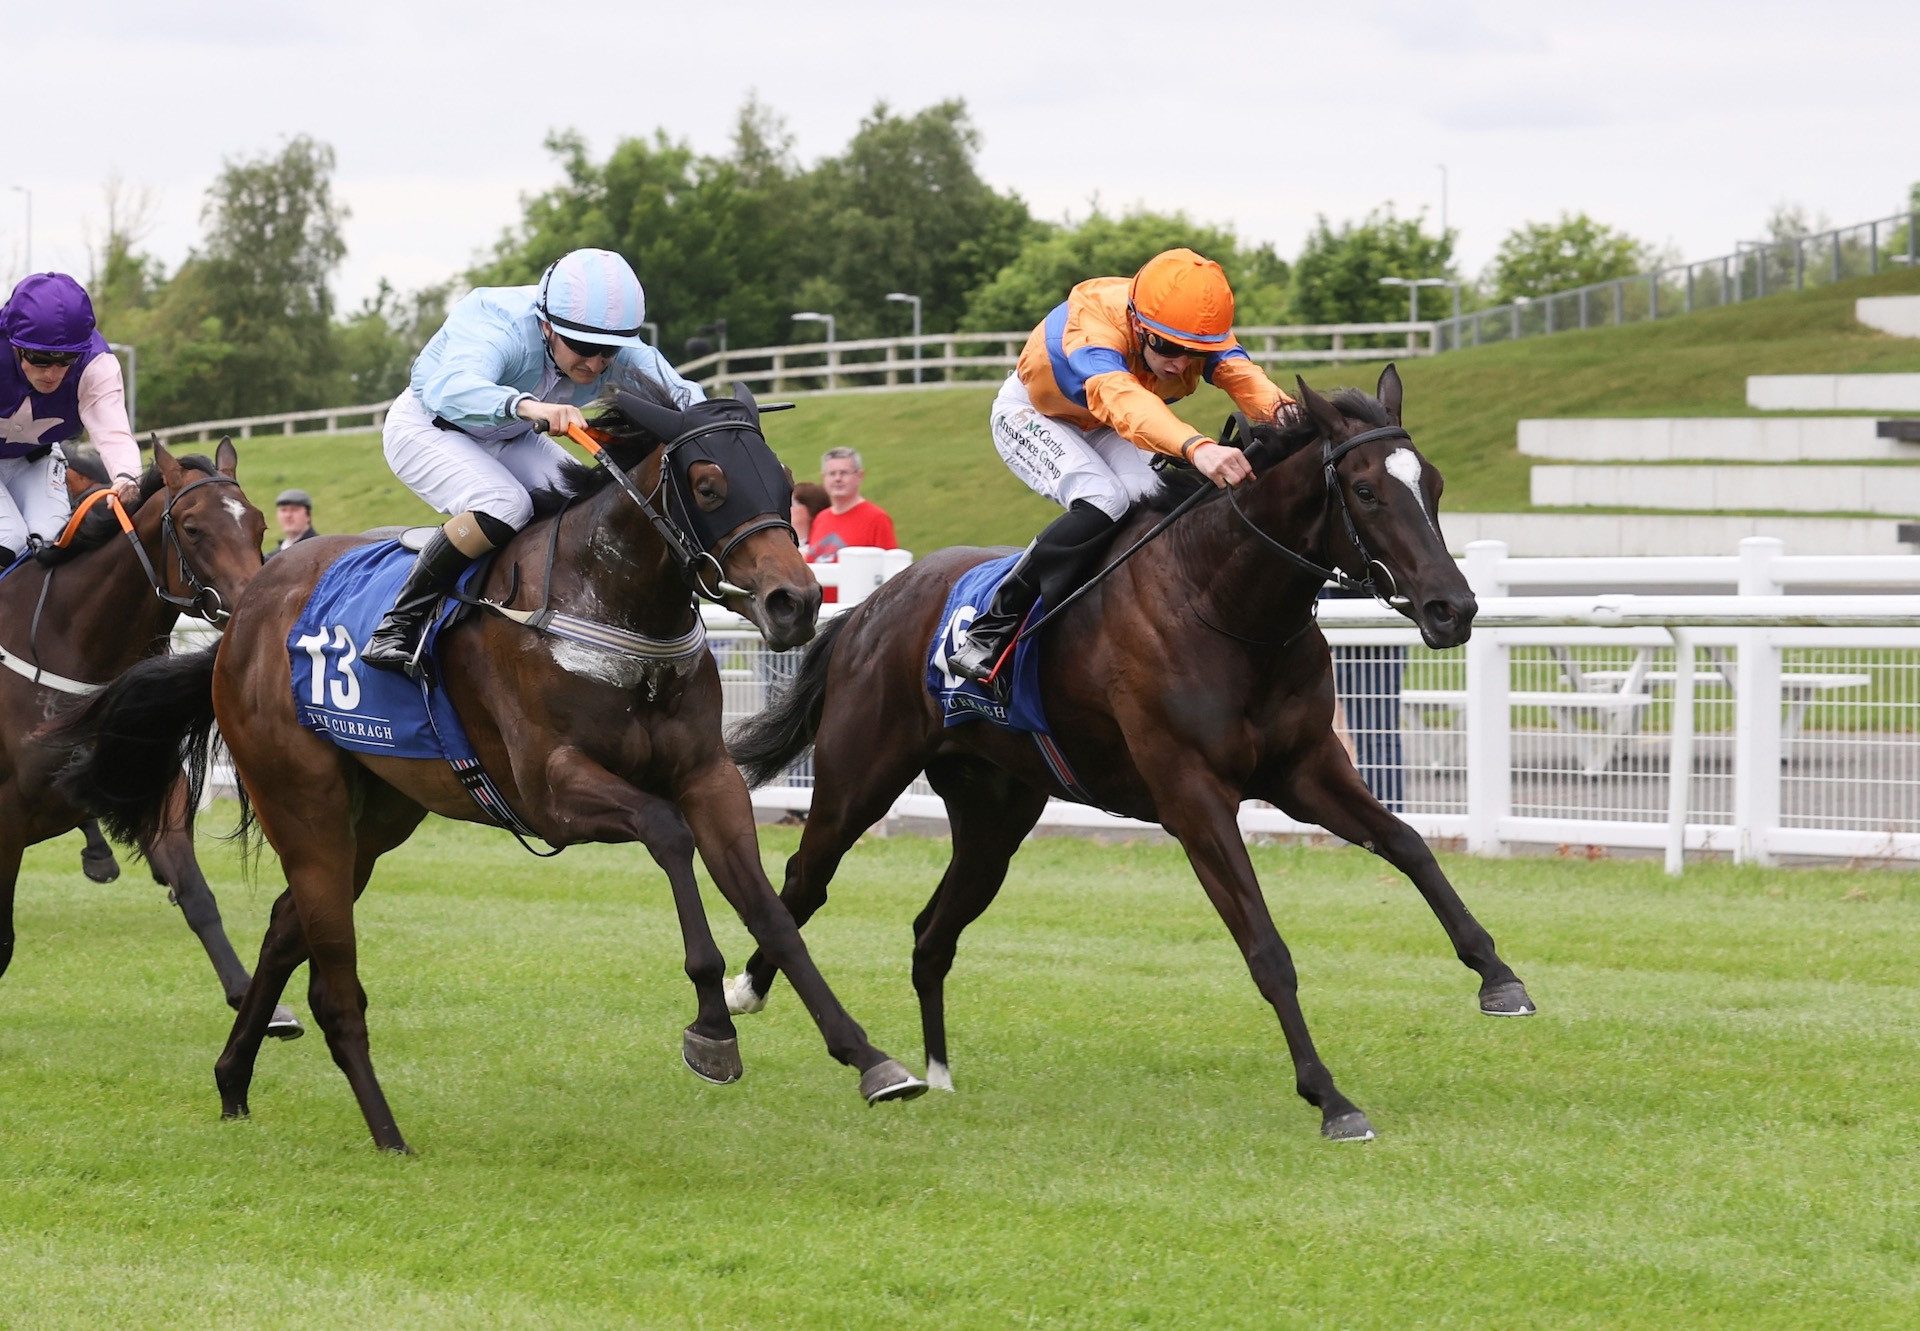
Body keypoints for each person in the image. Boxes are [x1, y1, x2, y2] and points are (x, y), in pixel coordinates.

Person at [947, 248, 1299, 683]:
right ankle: (992, 626)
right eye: (1167, 347)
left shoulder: (1191, 326)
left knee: (1150, 500)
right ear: (1136, 323)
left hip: (1107, 421)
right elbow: (1124, 401)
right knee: (1104, 499)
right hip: (1036, 413)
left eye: (1194, 352)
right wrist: (1196, 447)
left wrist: (1294, 417)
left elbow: (1245, 379)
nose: (1180, 363)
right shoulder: (1092, 325)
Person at [364, 248, 704, 670]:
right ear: (546, 326)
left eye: (608, 351)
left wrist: (722, 424)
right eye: (583, 347)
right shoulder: (499, 322)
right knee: (506, 504)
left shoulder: (609, 344)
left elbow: (682, 396)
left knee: (587, 507)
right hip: (428, 426)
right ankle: (396, 626)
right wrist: (527, 406)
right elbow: (450, 387)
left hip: (508, 434)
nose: (596, 363)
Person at [0, 273, 141, 566]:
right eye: (40, 358)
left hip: (34, 459)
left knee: (49, 543)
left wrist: (127, 476)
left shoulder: (96, 364)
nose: (53, 373)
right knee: (9, 540)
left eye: (66, 360)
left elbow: (114, 433)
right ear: (14, 344)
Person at [807, 447, 895, 605]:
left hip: (855, 609)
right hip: (819, 608)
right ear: (823, 477)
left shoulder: (876, 518)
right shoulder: (821, 518)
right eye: (832, 473)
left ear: (860, 476)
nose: (837, 479)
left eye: (844, 473)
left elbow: (889, 572)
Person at [269, 488, 318, 556]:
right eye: (283, 510)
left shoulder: (319, 550)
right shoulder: (271, 557)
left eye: (294, 510)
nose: (288, 515)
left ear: (308, 515)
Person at [790, 480, 828, 556]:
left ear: (811, 508)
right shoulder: (782, 543)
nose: (789, 508)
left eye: (793, 504)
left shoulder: (823, 544)